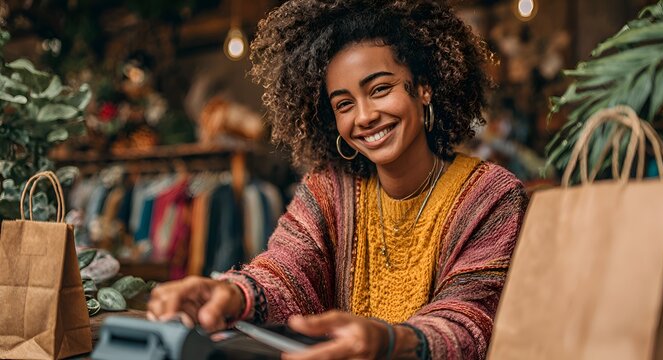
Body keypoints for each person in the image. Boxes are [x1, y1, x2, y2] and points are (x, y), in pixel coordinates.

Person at [147, 0, 528, 358]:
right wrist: (232, 293)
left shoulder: (491, 196)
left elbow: (472, 320)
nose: (364, 117)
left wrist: (391, 340)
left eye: (380, 89)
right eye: (344, 104)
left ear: (424, 87)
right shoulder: (329, 189)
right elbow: (287, 271)